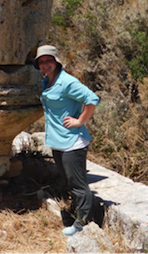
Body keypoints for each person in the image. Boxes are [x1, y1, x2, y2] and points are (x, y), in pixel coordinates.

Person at [33, 45, 100, 237]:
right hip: (58, 141)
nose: (45, 64)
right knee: (69, 182)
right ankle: (82, 214)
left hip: (73, 141)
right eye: (41, 61)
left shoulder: (67, 82)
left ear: (56, 61)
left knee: (78, 185)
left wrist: (80, 121)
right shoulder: (47, 82)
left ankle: (83, 225)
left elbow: (92, 99)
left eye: (49, 60)